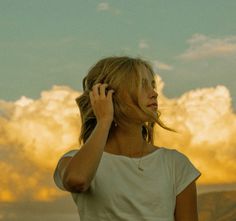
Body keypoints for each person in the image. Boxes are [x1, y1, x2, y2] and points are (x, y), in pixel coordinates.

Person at [53, 56, 201, 221]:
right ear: (108, 96)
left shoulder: (175, 164)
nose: (154, 93)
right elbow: (77, 180)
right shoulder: (75, 161)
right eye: (142, 85)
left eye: (152, 85)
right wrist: (104, 121)